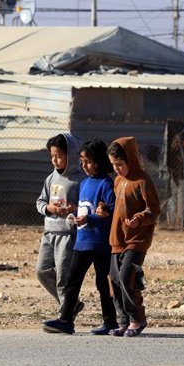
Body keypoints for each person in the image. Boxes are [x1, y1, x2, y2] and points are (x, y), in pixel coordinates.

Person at [42, 139, 118, 335]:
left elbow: (109, 213)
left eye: (88, 161)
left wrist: (90, 219)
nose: (84, 165)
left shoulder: (107, 185)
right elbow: (86, 206)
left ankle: (110, 322)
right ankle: (66, 320)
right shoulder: (84, 183)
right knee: (72, 280)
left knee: (103, 283)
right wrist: (75, 214)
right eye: (82, 161)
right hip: (82, 241)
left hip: (100, 243)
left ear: (100, 161)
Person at [106, 136, 161, 338]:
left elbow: (154, 209)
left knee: (127, 277)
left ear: (131, 159)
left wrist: (139, 219)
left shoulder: (143, 181)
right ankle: (123, 321)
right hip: (117, 240)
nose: (117, 169)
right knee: (114, 280)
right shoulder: (118, 181)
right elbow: (117, 206)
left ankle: (137, 318)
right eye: (113, 165)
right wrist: (104, 208)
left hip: (137, 241)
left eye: (120, 164)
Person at [35, 132, 86, 312]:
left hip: (68, 235)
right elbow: (40, 202)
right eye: (52, 156)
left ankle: (66, 315)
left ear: (70, 155)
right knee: (42, 271)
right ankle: (72, 305)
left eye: (59, 156)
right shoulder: (50, 179)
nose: (55, 160)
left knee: (63, 277)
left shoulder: (81, 180)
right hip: (49, 233)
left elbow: (88, 206)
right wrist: (50, 209)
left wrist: (74, 208)